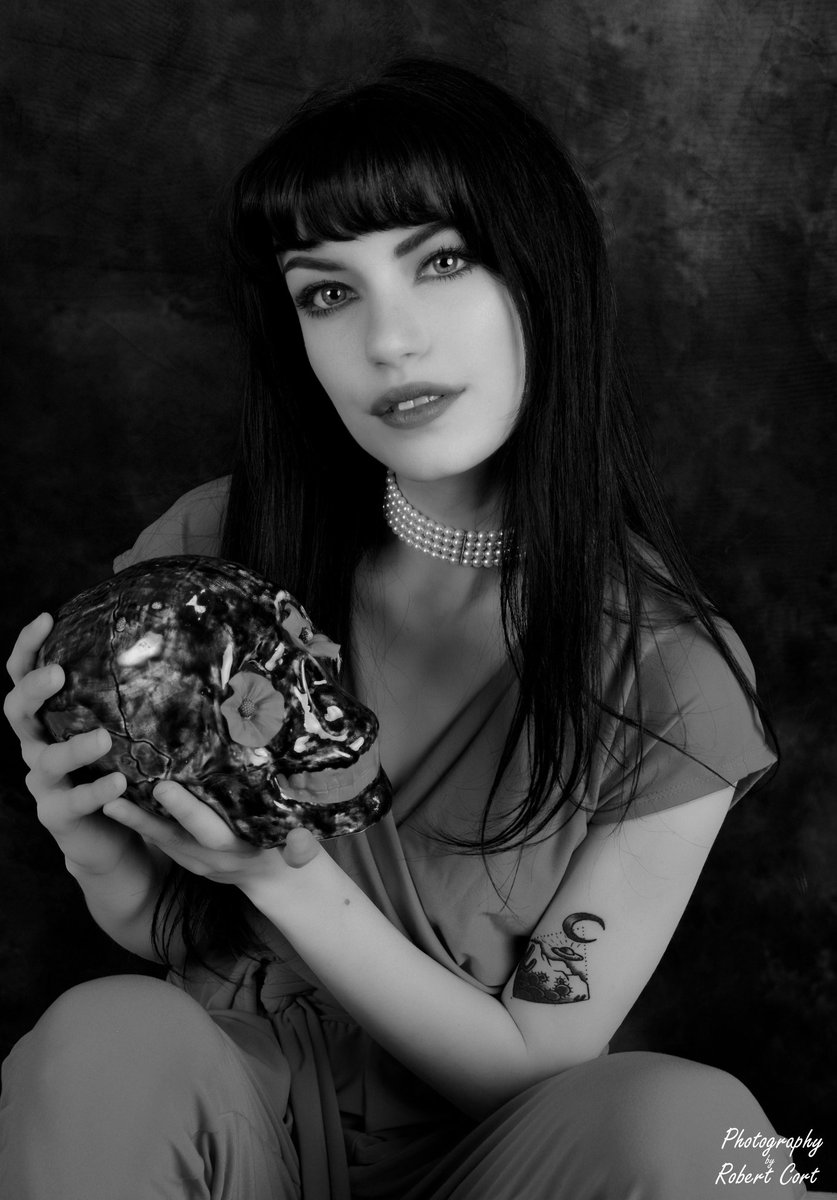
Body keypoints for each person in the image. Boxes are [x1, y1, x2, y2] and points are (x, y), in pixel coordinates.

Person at [0, 58, 810, 1200]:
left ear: (544, 274)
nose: (389, 340)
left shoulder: (672, 674)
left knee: (710, 1136)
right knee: (107, 1037)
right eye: (327, 293)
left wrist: (285, 879)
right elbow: (179, 938)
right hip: (224, 1126)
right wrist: (86, 833)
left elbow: (533, 1065)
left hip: (505, 1161)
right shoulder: (215, 554)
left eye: (441, 261)